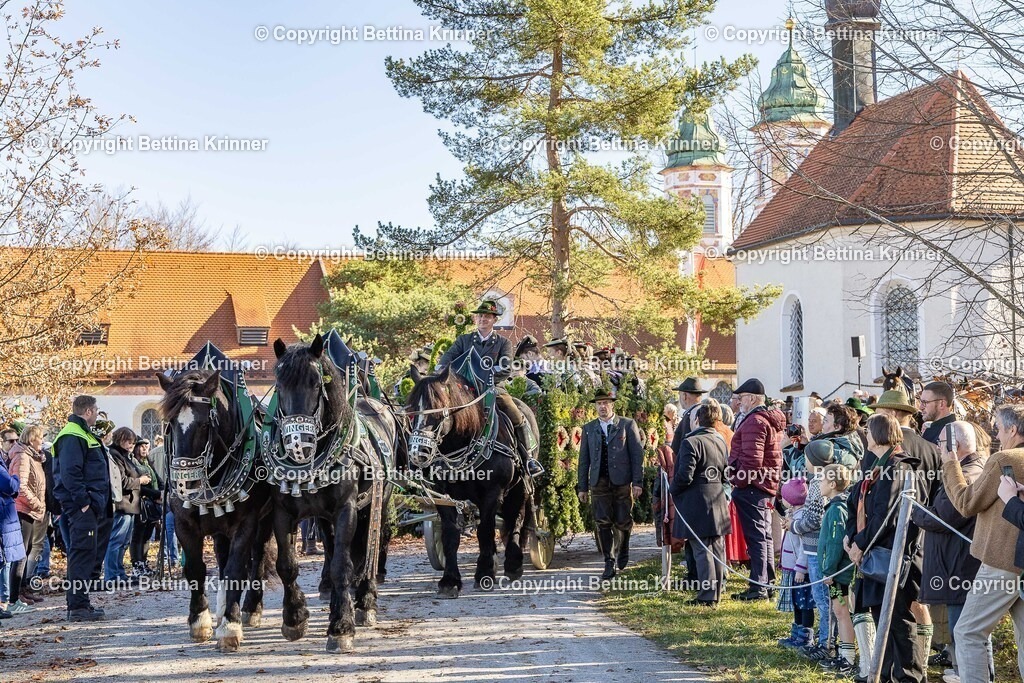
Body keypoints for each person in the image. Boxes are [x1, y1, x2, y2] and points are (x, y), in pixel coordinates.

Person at [943, 404, 1024, 683]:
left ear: (1013, 430)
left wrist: (950, 463)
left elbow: (966, 503)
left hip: (1001, 563)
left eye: (999, 429)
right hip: (1020, 564)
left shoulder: (1005, 458)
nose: (997, 436)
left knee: (968, 632)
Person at [845, 413, 926, 683]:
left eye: (868, 431)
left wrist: (859, 544)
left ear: (878, 434)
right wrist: (852, 537)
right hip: (876, 553)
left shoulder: (898, 467)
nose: (865, 435)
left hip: (892, 556)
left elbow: (885, 517)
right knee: (883, 618)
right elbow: (859, 501)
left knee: (898, 620)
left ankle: (909, 677)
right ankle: (887, 674)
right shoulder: (879, 465)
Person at [913, 420, 991, 683]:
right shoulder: (966, 467)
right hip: (955, 560)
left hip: (960, 565)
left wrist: (915, 511)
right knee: (965, 632)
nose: (936, 447)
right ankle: (966, 673)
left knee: (967, 633)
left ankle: (972, 676)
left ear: (954, 446)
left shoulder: (969, 473)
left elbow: (945, 516)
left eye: (941, 443)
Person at [435, 300, 543, 478]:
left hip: (493, 389)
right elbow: (446, 360)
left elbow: (506, 368)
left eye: (487, 316)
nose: (482, 319)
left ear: (494, 320)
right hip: (465, 392)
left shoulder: (503, 343)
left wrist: (486, 379)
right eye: (479, 316)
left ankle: (529, 458)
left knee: (515, 412)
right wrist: (438, 373)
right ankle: (435, 459)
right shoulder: (464, 340)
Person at [53, 395, 112, 621]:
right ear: (87, 411)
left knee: (86, 554)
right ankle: (78, 608)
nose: (97, 413)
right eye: (96, 410)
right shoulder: (72, 435)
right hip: (82, 507)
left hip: (90, 505)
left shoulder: (83, 433)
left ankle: (81, 603)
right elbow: (70, 473)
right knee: (81, 555)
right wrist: (84, 502)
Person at [728, 378, 785, 601]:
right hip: (764, 485)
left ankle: (759, 587)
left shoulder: (755, 422)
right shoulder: (766, 420)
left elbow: (752, 461)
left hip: (754, 486)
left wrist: (738, 480)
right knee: (763, 536)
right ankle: (766, 583)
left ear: (752, 398)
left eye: (742, 398)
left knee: (757, 537)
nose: (740, 402)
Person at [577, 390, 644, 580]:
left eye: (606, 403)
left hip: (622, 481)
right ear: (595, 406)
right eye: (599, 404)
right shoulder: (589, 428)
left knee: (623, 519)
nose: (602, 407)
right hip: (599, 482)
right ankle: (608, 560)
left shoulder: (627, 424)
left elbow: (637, 456)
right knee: (602, 522)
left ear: (612, 405)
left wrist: (637, 482)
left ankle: (624, 546)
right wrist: (582, 487)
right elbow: (584, 460)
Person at [670, 401, 731, 606]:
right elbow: (724, 472)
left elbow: (684, 476)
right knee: (716, 548)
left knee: (702, 550)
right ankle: (716, 593)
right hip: (717, 498)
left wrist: (673, 490)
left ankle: (707, 596)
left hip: (697, 500)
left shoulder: (691, 442)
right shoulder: (721, 440)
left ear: (697, 420)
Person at [818, 463, 857, 676]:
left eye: (822, 480)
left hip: (838, 575)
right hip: (836, 574)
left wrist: (828, 571)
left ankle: (848, 658)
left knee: (841, 612)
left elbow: (834, 544)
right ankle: (844, 654)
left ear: (832, 484)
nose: (819, 483)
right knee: (839, 611)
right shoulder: (835, 506)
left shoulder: (836, 509)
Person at [8, 426, 47, 608]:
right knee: (20, 554)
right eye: (41, 437)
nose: (43, 441)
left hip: (29, 510)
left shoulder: (31, 456)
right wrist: (37, 504)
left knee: (27, 549)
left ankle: (23, 590)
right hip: (22, 509)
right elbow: (20, 486)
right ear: (32, 439)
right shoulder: (22, 457)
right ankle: (14, 596)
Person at [105, 427, 149, 585]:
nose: (131, 445)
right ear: (120, 440)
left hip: (131, 504)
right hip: (122, 504)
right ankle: (112, 575)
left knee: (123, 542)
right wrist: (140, 481)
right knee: (116, 541)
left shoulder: (125, 456)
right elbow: (122, 481)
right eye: (128, 441)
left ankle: (119, 573)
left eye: (133, 442)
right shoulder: (115, 455)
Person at [777, 477, 814, 649]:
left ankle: (806, 636)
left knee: (804, 603)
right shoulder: (793, 515)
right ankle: (797, 632)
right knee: (796, 602)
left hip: (800, 570)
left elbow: (804, 548)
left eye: (783, 496)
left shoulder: (801, 521)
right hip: (792, 568)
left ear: (790, 500)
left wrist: (801, 568)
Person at [129, 438, 161, 575]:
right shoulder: (133, 464)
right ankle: (137, 564)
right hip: (140, 503)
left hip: (152, 504)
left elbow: (157, 480)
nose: (144, 449)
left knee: (147, 535)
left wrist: (164, 490)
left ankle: (144, 562)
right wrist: (157, 493)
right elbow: (139, 486)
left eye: (146, 446)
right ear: (136, 448)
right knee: (138, 535)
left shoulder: (148, 463)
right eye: (141, 446)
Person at [0, 446, 25, 616]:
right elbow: (9, 485)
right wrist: (16, 478)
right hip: (3, 514)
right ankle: (4, 601)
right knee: (4, 561)